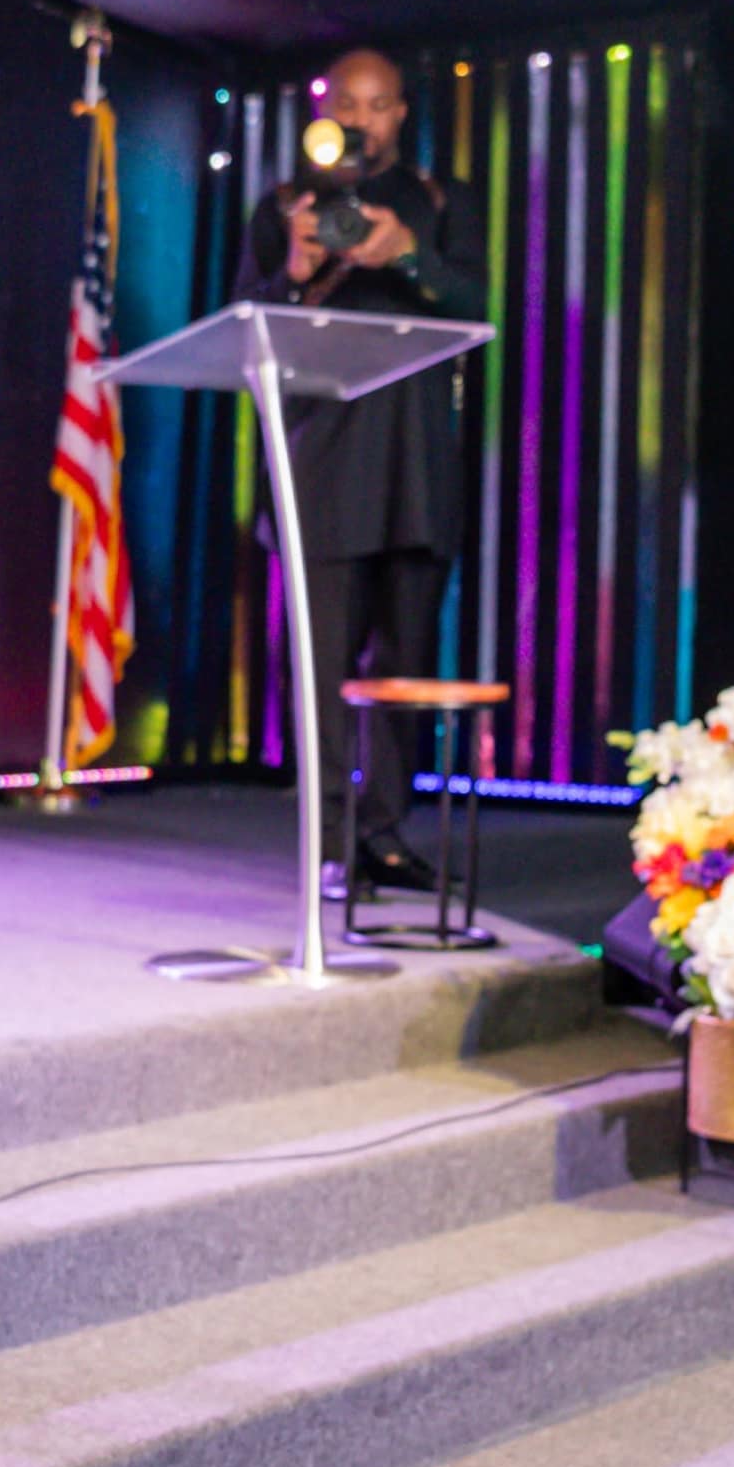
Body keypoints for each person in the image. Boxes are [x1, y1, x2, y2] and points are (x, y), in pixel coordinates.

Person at [243, 48, 486, 899]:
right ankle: (327, 840)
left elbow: (481, 306)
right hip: (323, 466)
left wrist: (407, 254)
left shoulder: (436, 199)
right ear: (324, 105)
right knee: (316, 667)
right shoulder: (284, 206)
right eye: (349, 100)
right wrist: (300, 270)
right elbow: (249, 328)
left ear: (401, 114)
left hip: (418, 467)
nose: (362, 116)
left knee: (405, 664)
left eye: (379, 104)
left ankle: (383, 835)